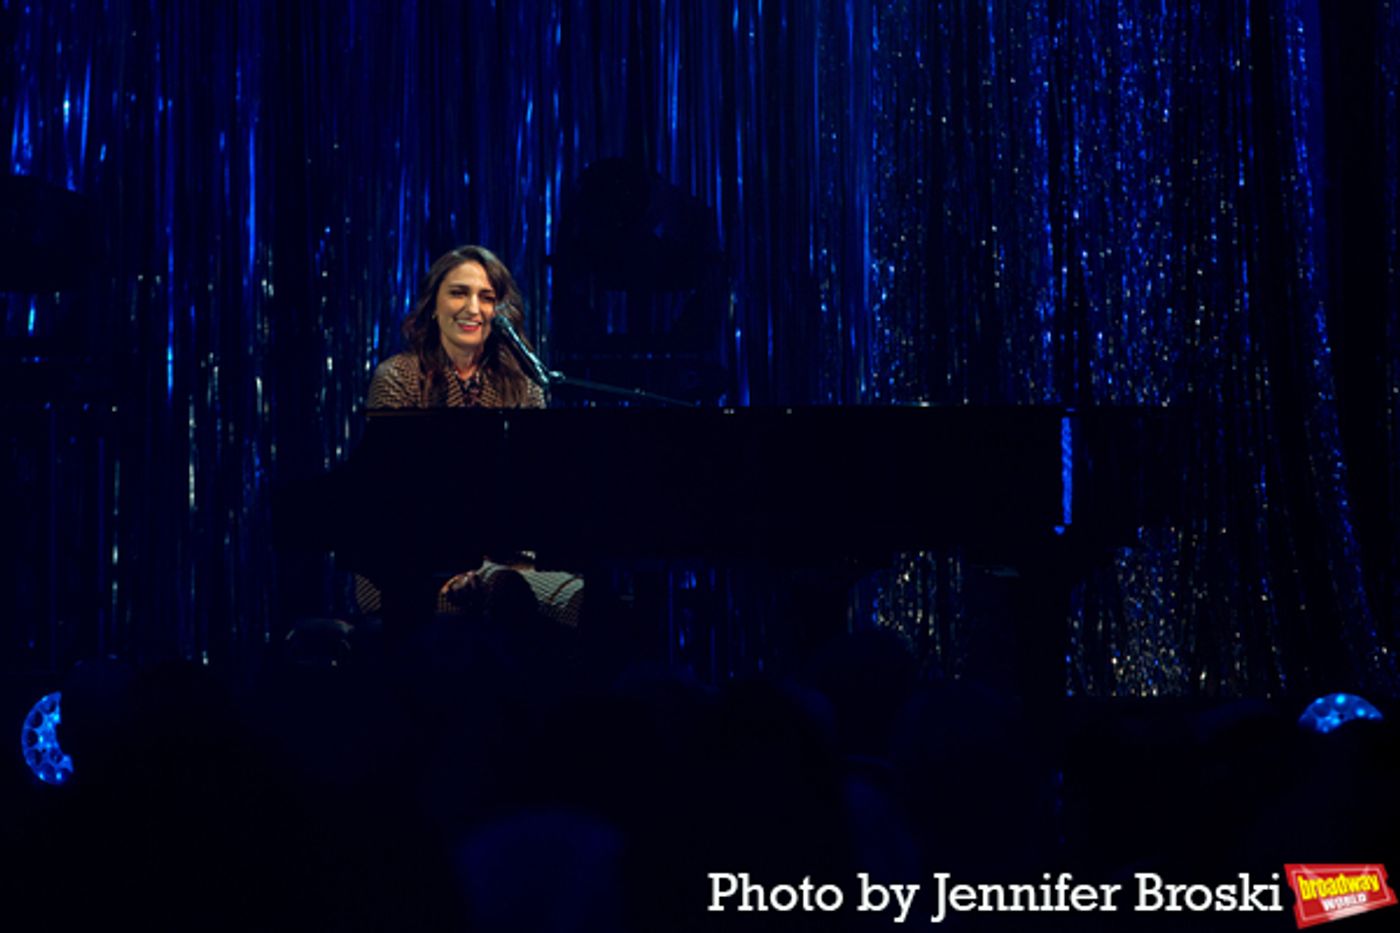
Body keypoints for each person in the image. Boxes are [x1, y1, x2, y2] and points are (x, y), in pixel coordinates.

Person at [358, 245, 581, 626]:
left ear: (501, 312)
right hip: (410, 568)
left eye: (487, 297)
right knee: (500, 596)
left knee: (585, 603)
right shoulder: (398, 376)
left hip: (509, 561)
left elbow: (536, 489)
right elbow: (394, 492)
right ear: (433, 304)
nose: (473, 308)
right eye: (458, 293)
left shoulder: (524, 385)